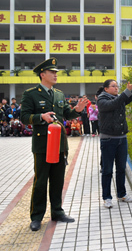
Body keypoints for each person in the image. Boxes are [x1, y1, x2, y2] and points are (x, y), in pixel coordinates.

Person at [20, 57, 88, 231]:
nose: (55, 75)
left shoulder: (58, 94)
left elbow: (67, 113)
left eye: (56, 72)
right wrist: (40, 117)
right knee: (41, 181)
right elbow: (24, 117)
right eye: (52, 72)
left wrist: (77, 110)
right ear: (42, 74)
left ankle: (57, 212)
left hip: (59, 144)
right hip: (42, 145)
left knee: (58, 181)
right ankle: (36, 217)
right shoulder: (31, 94)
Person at [97, 75, 132, 209]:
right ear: (106, 89)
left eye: (117, 86)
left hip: (122, 138)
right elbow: (114, 104)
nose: (116, 88)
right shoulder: (102, 99)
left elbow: (130, 97)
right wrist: (126, 92)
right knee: (107, 170)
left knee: (121, 168)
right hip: (108, 140)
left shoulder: (119, 98)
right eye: (113, 86)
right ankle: (107, 198)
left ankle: (122, 194)